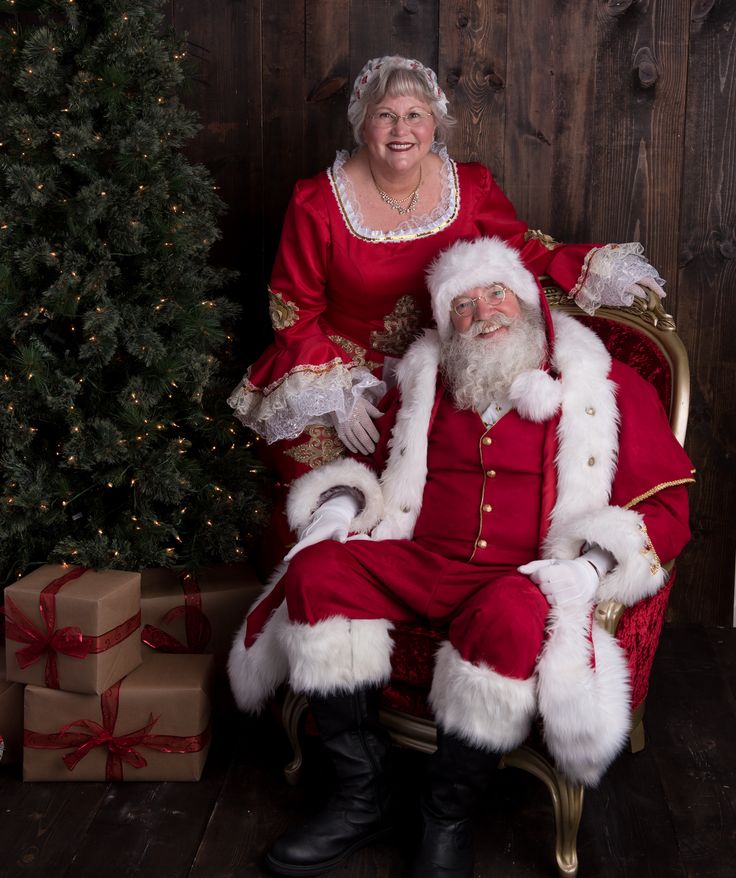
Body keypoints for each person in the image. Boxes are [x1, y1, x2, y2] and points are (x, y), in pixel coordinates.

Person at [228, 236, 693, 878]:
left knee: (510, 616)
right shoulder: (426, 381)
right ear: (448, 324)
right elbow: (369, 468)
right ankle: (363, 798)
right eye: (464, 306)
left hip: (519, 576)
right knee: (316, 572)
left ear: (526, 301)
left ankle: (444, 816)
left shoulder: (603, 386)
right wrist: (334, 516)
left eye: (495, 293)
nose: (484, 313)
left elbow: (665, 509)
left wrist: (587, 569)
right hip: (419, 560)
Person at [227, 56, 666, 568]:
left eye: (416, 114)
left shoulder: (470, 185)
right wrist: (338, 392)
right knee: (329, 494)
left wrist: (593, 268)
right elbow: (294, 309)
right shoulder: (317, 201)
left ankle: (425, 592)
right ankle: (311, 604)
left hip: (447, 364)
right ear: (361, 120)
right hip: (343, 375)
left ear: (436, 121)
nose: (401, 130)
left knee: (462, 482)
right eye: (385, 115)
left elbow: (518, 249)